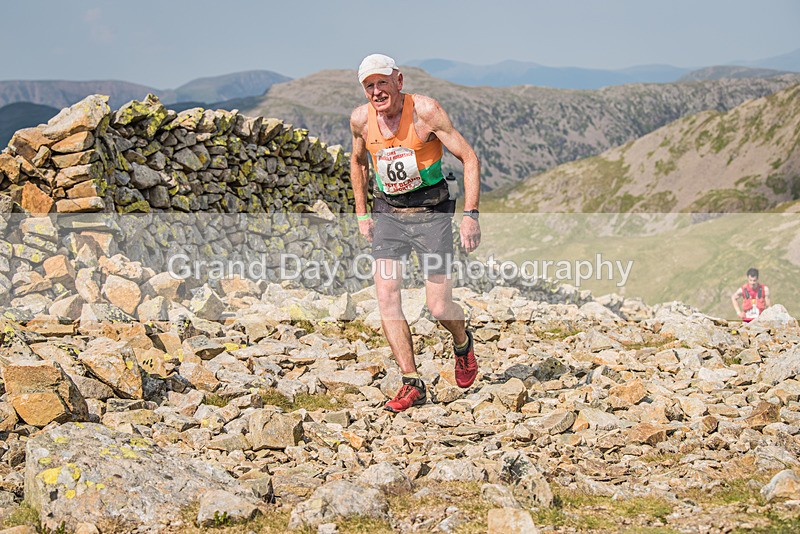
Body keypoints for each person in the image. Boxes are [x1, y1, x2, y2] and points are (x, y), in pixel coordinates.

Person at [349, 53, 482, 413]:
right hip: (388, 213)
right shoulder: (361, 120)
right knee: (387, 297)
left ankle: (462, 341)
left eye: (382, 83)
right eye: (369, 86)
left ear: (399, 81)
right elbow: (358, 162)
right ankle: (412, 383)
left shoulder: (426, 112)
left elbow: (468, 157)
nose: (376, 92)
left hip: (432, 213)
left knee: (438, 306)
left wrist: (470, 215)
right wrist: (362, 213)